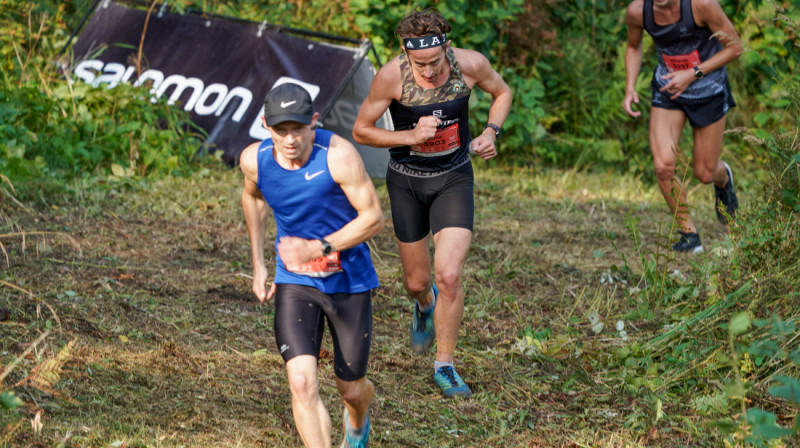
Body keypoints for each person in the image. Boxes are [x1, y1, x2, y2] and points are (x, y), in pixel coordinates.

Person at [352, 7, 512, 398]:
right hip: (407, 181)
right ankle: (424, 305)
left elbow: (503, 92)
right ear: (407, 56)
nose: (427, 71)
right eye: (419, 63)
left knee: (450, 275)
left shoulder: (470, 65)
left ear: (448, 48)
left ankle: (444, 365)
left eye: (434, 62)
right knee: (417, 282)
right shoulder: (391, 76)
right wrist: (409, 137)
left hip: (454, 178)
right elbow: (361, 130)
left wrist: (491, 130)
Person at [240, 82, 383, 447]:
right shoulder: (253, 160)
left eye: (298, 129)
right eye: (281, 130)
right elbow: (252, 197)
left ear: (314, 122)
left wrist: (318, 248)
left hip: (348, 280)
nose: (290, 139)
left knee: (350, 390)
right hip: (295, 280)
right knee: (301, 382)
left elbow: (373, 218)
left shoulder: (337, 155)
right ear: (265, 125)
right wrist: (258, 263)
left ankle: (357, 422)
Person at [623, 0, 742, 253]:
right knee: (663, 166)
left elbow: (735, 47)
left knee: (705, 173)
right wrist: (630, 86)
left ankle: (724, 179)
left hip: (708, 90)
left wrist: (692, 73)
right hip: (669, 90)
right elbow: (633, 47)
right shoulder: (637, 11)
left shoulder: (702, 5)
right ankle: (690, 235)